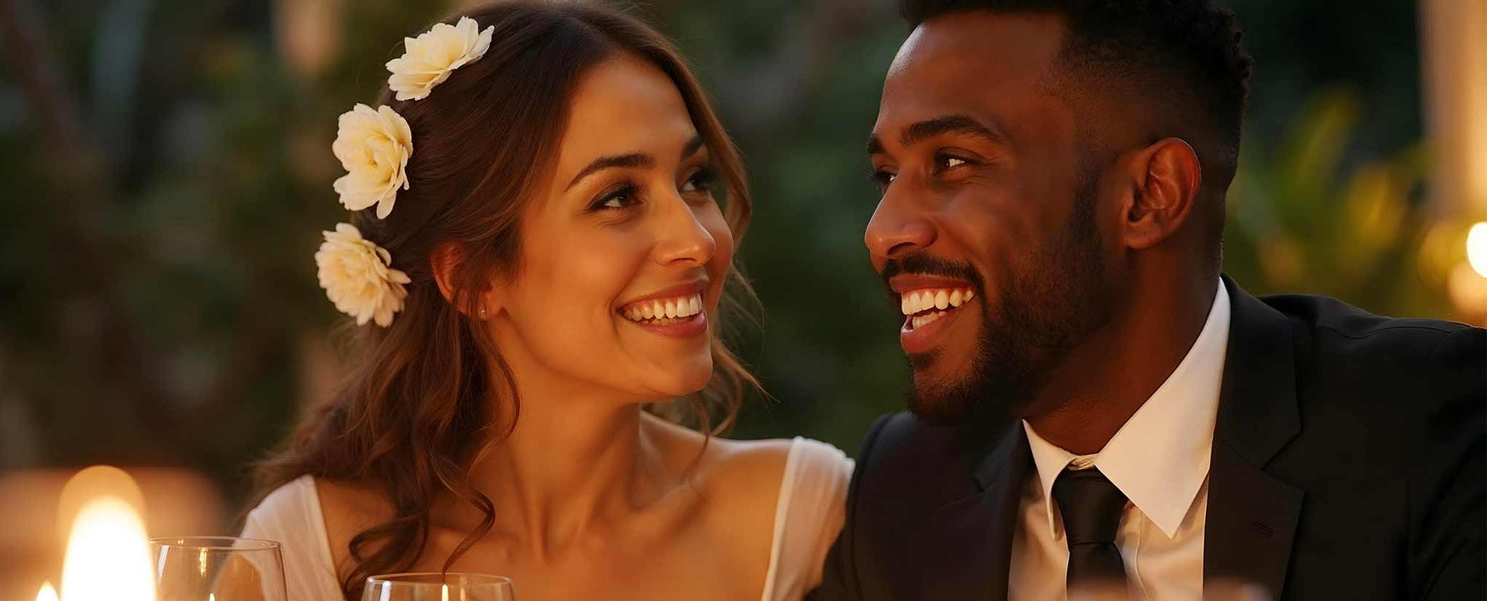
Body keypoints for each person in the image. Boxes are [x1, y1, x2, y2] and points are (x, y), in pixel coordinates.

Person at [809, 1, 1486, 600]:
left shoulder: (1432, 426)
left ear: (1148, 196)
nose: (883, 232)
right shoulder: (906, 485)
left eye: (953, 161)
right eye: (886, 175)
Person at [241, 3, 851, 600]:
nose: (698, 240)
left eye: (694, 181)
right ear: (474, 277)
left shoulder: (798, 520)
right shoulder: (312, 552)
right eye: (616, 197)